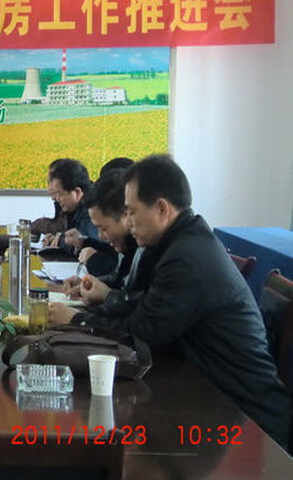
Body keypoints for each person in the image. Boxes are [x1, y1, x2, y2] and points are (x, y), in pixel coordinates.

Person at [49, 155, 290, 447]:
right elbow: (140, 307)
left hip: (245, 420)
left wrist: (76, 321)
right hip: (206, 395)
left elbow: (142, 334)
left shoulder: (186, 257)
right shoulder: (179, 242)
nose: (128, 222)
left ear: (162, 209)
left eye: (131, 212)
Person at [61, 169, 147, 318]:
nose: (101, 236)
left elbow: (143, 314)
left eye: (104, 228)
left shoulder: (151, 249)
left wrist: (77, 319)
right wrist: (89, 284)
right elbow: (120, 282)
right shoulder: (128, 245)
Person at [42, 159, 98, 256]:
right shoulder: (75, 208)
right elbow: (71, 237)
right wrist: (58, 237)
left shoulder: (91, 210)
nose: (57, 199)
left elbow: (80, 243)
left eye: (59, 194)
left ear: (77, 192)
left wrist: (61, 240)